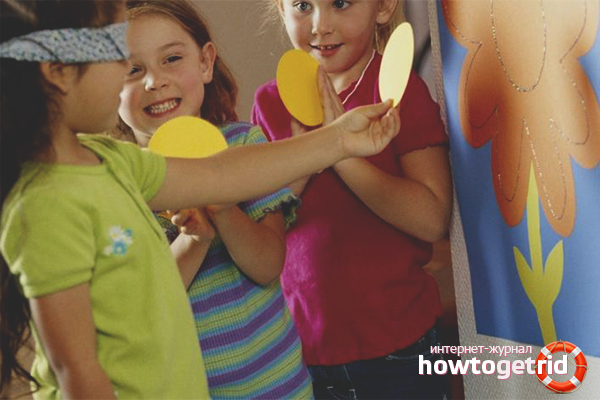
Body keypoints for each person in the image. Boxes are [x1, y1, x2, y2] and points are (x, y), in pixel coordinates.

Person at [0, 0, 400, 398]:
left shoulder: (114, 161)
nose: (128, 71)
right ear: (58, 72)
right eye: (117, 53)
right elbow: (76, 369)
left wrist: (337, 139)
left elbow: (220, 174)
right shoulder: (43, 209)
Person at [252, 0, 453, 399]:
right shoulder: (270, 103)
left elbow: (431, 218)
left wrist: (341, 152)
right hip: (300, 352)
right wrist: (311, 153)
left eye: (341, 3)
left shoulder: (398, 91)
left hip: (399, 349)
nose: (320, 25)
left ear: (383, 7)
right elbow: (260, 225)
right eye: (303, 5)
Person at [116, 1, 311, 398]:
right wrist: (193, 240)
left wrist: (221, 203)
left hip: (279, 385)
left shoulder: (243, 145)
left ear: (205, 62)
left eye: (172, 59)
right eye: (132, 70)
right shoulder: (116, 184)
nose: (154, 81)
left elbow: (267, 265)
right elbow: (143, 309)